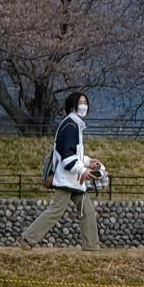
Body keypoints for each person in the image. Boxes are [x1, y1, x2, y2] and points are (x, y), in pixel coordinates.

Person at [19, 92, 102, 250]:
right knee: (56, 211)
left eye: (85, 102)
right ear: (72, 105)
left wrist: (87, 161)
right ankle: (27, 239)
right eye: (81, 102)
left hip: (73, 179)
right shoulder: (70, 126)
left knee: (87, 211)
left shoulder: (72, 125)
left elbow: (71, 153)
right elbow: (67, 157)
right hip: (68, 179)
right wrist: (83, 170)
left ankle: (91, 246)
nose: (84, 106)